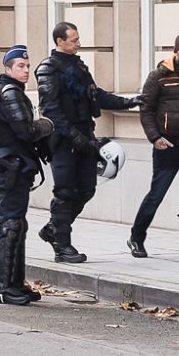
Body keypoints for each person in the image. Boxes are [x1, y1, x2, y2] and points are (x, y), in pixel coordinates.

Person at [35, 22, 141, 262]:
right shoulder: (48, 70)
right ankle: (62, 246)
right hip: (62, 140)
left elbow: (96, 94)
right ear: (59, 42)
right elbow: (52, 111)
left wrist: (129, 102)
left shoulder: (78, 66)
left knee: (86, 189)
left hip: (85, 135)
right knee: (65, 191)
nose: (78, 43)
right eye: (73, 40)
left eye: (78, 38)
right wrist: (75, 138)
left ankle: (53, 230)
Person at [0, 45, 54, 305]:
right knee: (10, 224)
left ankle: (14, 283)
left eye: (27, 66)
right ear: (8, 69)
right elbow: (26, 131)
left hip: (13, 166)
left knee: (16, 225)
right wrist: (47, 124)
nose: (26, 70)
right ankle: (3, 287)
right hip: (11, 167)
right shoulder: (10, 92)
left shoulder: (5, 91)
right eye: (20, 66)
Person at [127, 33, 179, 258]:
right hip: (167, 148)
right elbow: (146, 109)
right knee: (156, 196)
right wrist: (154, 137)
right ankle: (136, 237)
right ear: (176, 52)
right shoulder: (159, 76)